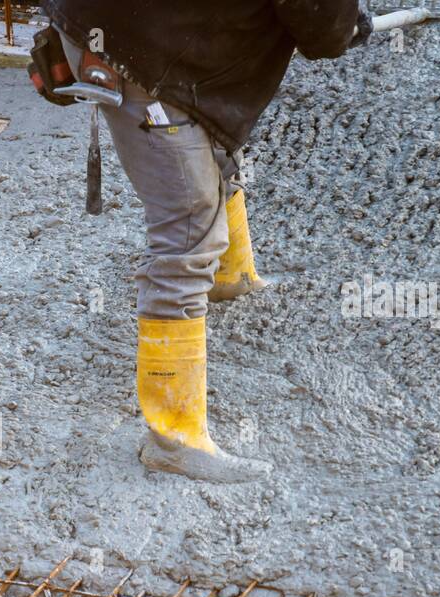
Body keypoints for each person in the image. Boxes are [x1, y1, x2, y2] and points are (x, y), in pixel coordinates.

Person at [34, 1, 371, 482]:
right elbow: (320, 28)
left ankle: (231, 276)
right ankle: (173, 438)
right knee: (187, 225)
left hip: (118, 22)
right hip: (142, 50)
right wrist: (343, 24)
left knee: (203, 148)